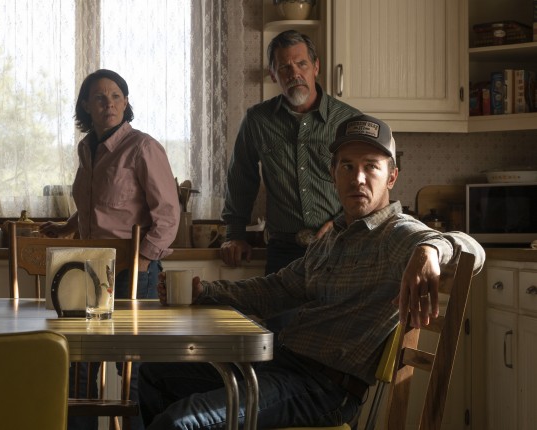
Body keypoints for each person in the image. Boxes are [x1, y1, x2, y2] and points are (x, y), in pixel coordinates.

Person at [138, 114, 486, 429]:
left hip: (323, 390)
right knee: (155, 373)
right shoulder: (332, 237)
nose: (358, 178)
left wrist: (430, 250)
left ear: (392, 176)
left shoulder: (398, 234)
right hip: (280, 365)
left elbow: (474, 250)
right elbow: (275, 290)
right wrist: (205, 292)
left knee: (180, 422)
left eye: (371, 167)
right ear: (333, 174)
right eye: (347, 166)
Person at [41, 69, 180, 430]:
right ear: (86, 106)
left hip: (134, 273)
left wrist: (143, 260)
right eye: (100, 97)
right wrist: (68, 227)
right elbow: (97, 205)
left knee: (133, 371)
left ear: (126, 102)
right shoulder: (86, 148)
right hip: (87, 270)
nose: (109, 103)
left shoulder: (143, 147)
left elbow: (168, 214)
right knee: (80, 366)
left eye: (117, 96)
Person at [220, 30, 361, 276]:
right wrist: (235, 234)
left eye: (301, 64)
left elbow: (365, 183)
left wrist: (340, 222)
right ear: (273, 74)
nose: (294, 73)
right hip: (282, 251)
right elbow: (241, 178)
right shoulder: (257, 120)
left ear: (316, 67)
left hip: (340, 244)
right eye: (284, 67)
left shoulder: (348, 121)